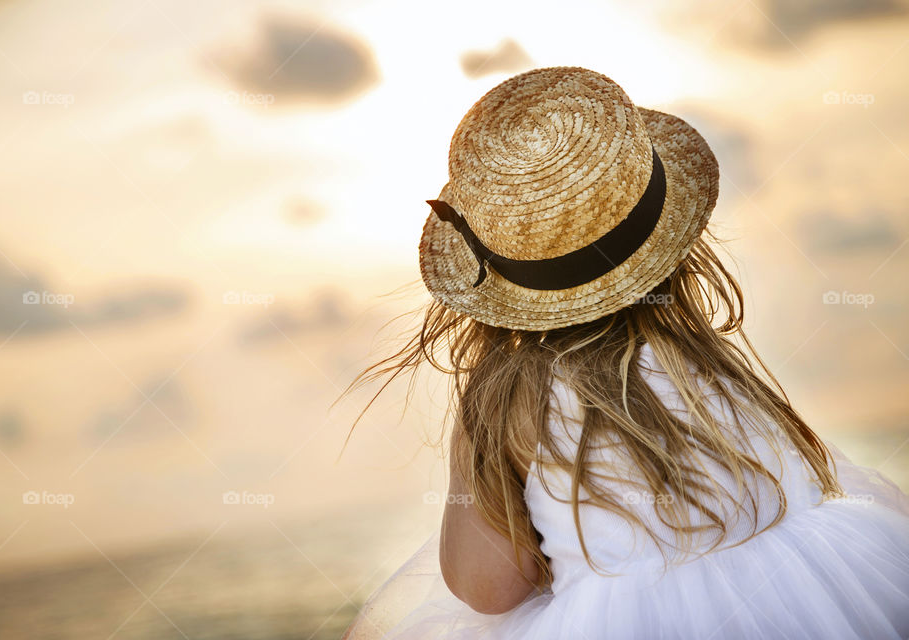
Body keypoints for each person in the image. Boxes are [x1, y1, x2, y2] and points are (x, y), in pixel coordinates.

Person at [341, 66, 909, 639]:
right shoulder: (707, 363)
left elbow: (488, 588)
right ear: (672, 246)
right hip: (814, 593)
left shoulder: (512, 395)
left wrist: (476, 442)